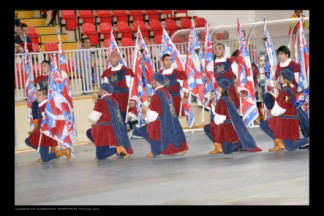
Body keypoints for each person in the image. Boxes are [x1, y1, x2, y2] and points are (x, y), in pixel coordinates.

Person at [204, 77, 262, 154]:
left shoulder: (222, 100)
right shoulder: (227, 98)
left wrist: (215, 123)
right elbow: (221, 112)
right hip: (229, 125)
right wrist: (214, 101)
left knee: (226, 150)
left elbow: (220, 118)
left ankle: (242, 143)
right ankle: (221, 146)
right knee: (209, 127)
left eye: (218, 86)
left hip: (225, 128)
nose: (217, 88)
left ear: (222, 88)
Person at [139, 73, 189, 157]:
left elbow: (152, 116)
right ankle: (158, 148)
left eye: (152, 80)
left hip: (161, 123)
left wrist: (145, 117)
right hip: (170, 122)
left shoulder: (157, 95)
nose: (151, 82)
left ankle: (157, 148)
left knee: (142, 130)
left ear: (156, 81)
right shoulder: (167, 92)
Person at [260, 69, 309, 152]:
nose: (279, 77)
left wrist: (272, 111)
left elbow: (281, 108)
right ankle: (280, 143)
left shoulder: (285, 92)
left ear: (284, 78)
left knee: (290, 147)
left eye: (280, 76)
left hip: (284, 121)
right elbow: (287, 102)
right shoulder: (291, 88)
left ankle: (307, 140)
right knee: (264, 124)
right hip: (289, 119)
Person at [86, 83, 133, 159]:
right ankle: (103, 148)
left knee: (100, 155)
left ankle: (118, 149)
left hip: (103, 130)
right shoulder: (114, 100)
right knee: (89, 132)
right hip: (114, 129)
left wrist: (95, 121)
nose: (99, 91)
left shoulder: (101, 101)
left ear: (103, 91)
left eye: (100, 89)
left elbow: (93, 118)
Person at [25, 88, 71, 162]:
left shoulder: (46, 106)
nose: (37, 97)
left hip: (44, 133)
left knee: (45, 159)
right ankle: (45, 153)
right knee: (28, 141)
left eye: (39, 95)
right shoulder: (41, 105)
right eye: (36, 95)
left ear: (45, 96)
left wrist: (45, 129)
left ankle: (64, 152)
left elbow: (50, 119)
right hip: (41, 131)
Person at [101, 51, 134, 122]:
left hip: (124, 100)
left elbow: (131, 87)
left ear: (119, 58)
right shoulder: (106, 73)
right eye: (110, 57)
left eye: (114, 57)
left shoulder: (127, 70)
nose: (112, 59)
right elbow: (105, 88)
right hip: (112, 100)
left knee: (123, 120)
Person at [207, 43, 240, 109]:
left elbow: (239, 76)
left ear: (224, 51)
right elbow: (209, 80)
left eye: (219, 48)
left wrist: (240, 91)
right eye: (215, 49)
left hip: (230, 95)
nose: (217, 50)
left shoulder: (230, 62)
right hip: (216, 95)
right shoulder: (211, 64)